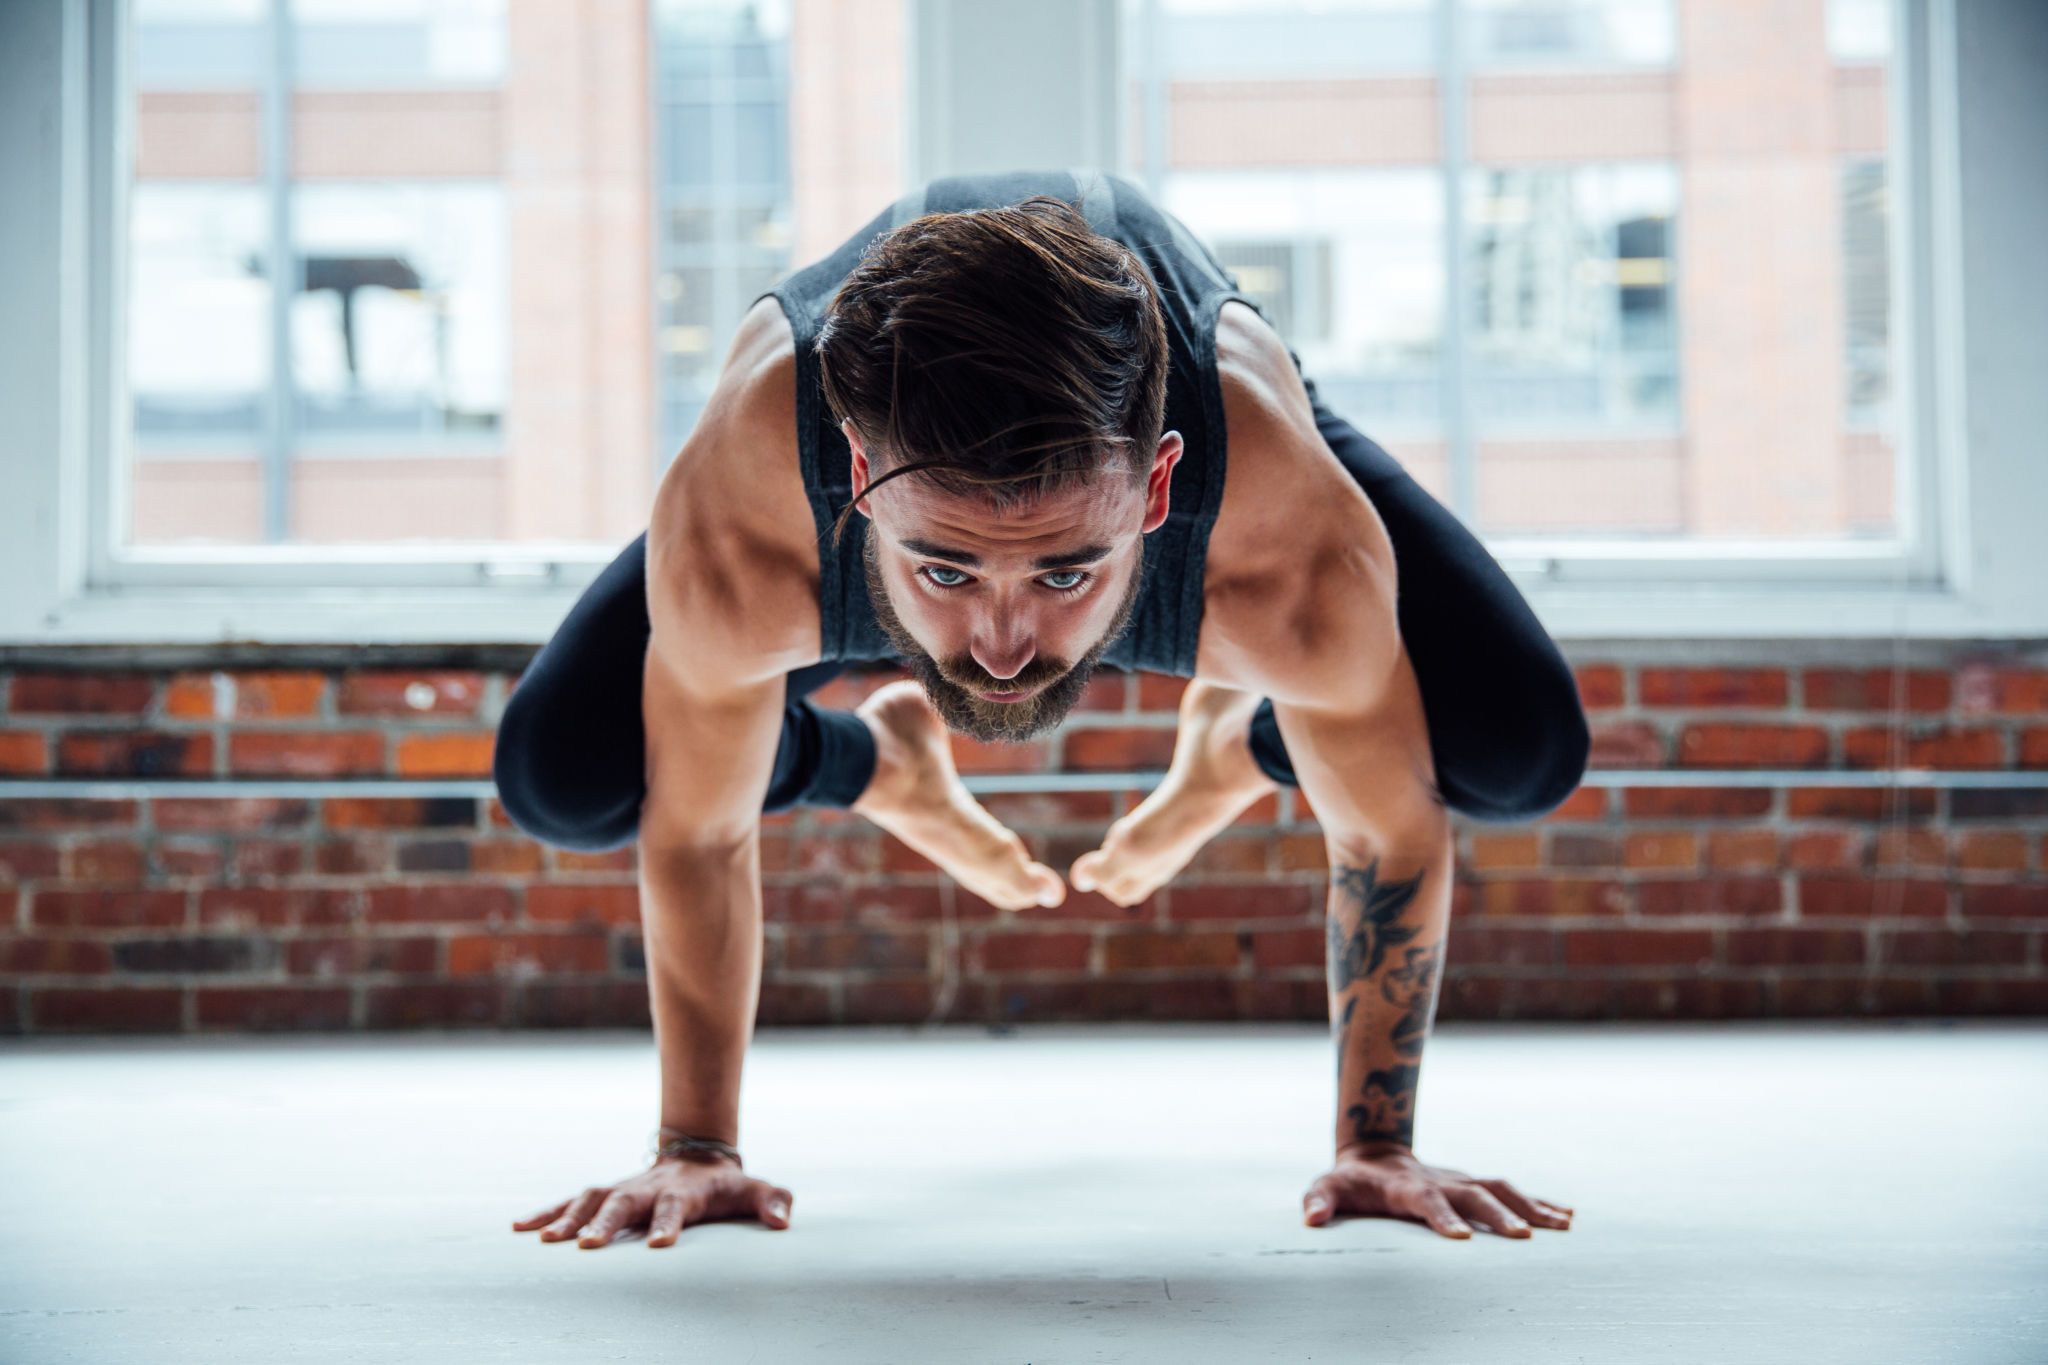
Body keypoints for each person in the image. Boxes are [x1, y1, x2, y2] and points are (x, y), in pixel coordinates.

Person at [494, 170, 1587, 1250]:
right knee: (567, 779)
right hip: (845, 481)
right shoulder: (746, 513)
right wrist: (695, 1147)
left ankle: (1244, 744)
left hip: (1186, 442)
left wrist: (1376, 1147)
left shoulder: (1280, 545)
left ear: (1158, 492)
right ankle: (874, 762)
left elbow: (1386, 831)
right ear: (862, 474)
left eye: (1061, 577)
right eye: (946, 572)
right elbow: (697, 827)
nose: (1001, 652)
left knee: (1517, 749)